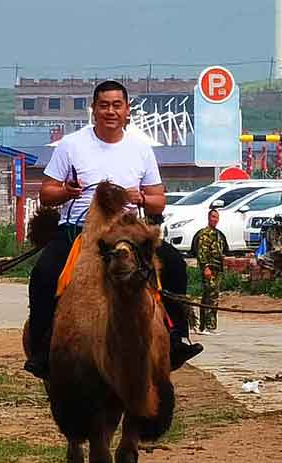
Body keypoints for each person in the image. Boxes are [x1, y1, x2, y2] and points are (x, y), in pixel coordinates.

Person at [24, 79, 203, 379]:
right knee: (43, 274)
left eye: (116, 105)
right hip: (79, 231)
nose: (110, 111)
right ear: (93, 109)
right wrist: (67, 191)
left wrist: (142, 198)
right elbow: (46, 193)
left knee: (173, 264)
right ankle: (43, 348)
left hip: (128, 233)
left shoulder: (141, 149)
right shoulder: (71, 145)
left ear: (127, 110)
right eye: (104, 105)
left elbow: (158, 202)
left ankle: (176, 338)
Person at [192, 208, 225, 334]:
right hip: (209, 268)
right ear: (208, 218)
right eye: (213, 217)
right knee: (210, 296)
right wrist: (205, 267)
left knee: (212, 296)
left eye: (217, 217)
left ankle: (207, 325)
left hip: (217, 269)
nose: (215, 220)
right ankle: (207, 326)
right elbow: (202, 252)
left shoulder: (217, 234)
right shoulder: (205, 234)